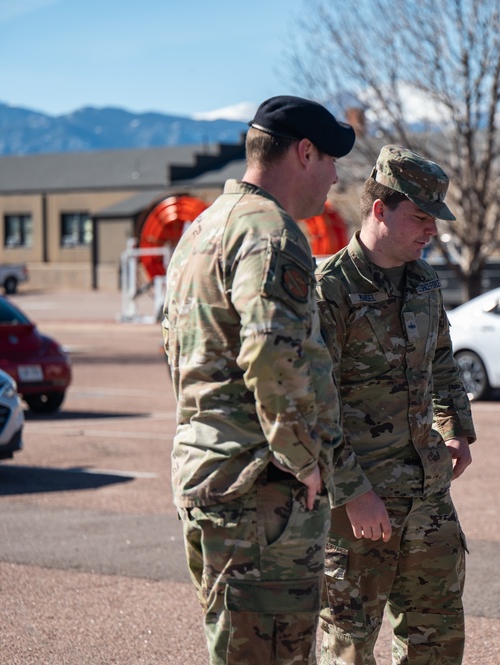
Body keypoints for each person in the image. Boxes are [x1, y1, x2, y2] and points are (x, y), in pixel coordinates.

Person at [161, 95, 354, 664]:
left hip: (209, 474)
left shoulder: (201, 230)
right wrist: (303, 459)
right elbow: (273, 352)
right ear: (304, 151)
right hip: (259, 492)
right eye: (331, 160)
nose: (336, 175)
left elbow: (180, 351)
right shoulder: (272, 235)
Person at [314, 144, 476, 665]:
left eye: (436, 220)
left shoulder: (425, 281)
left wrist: (458, 430)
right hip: (359, 501)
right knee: (349, 644)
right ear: (379, 209)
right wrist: (353, 493)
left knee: (438, 635)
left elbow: (443, 360)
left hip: (427, 491)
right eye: (421, 217)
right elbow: (315, 405)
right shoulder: (329, 291)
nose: (432, 231)